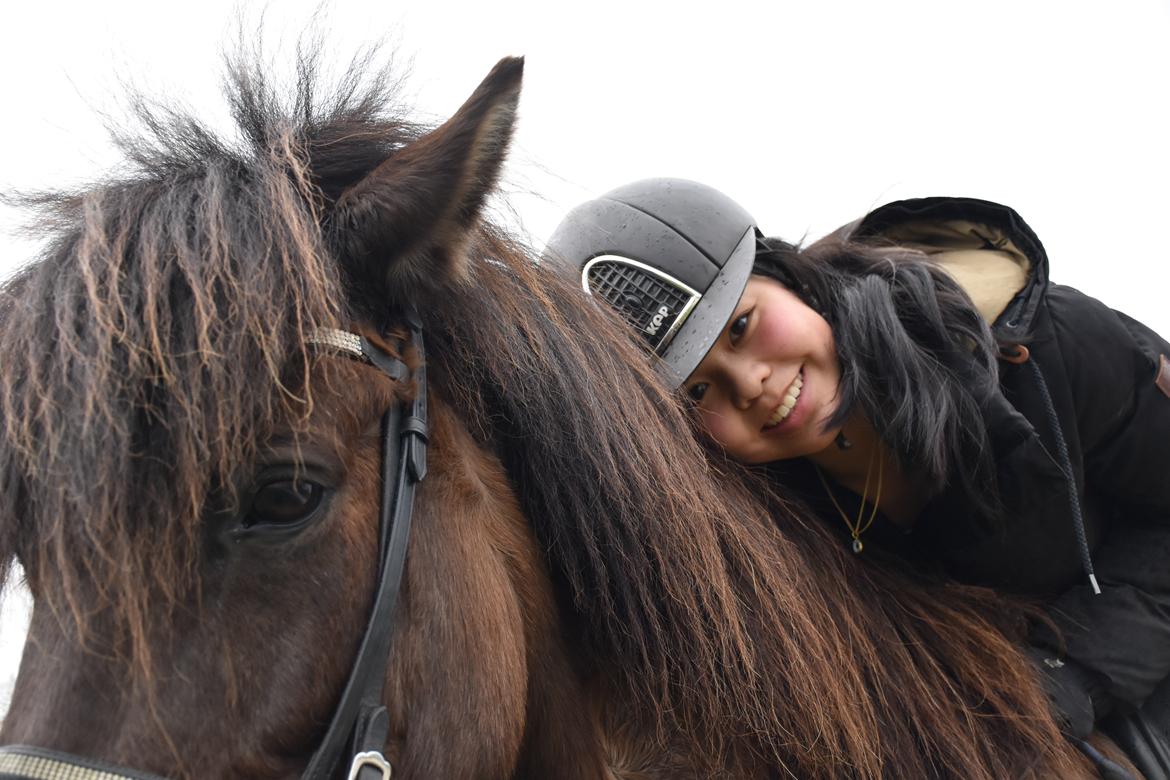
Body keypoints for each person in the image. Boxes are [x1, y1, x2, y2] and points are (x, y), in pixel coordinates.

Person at [545, 178, 1170, 777]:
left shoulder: (1049, 349)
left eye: (741, 326)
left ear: (786, 275)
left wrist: (1067, 676)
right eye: (699, 390)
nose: (751, 383)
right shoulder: (754, 521)